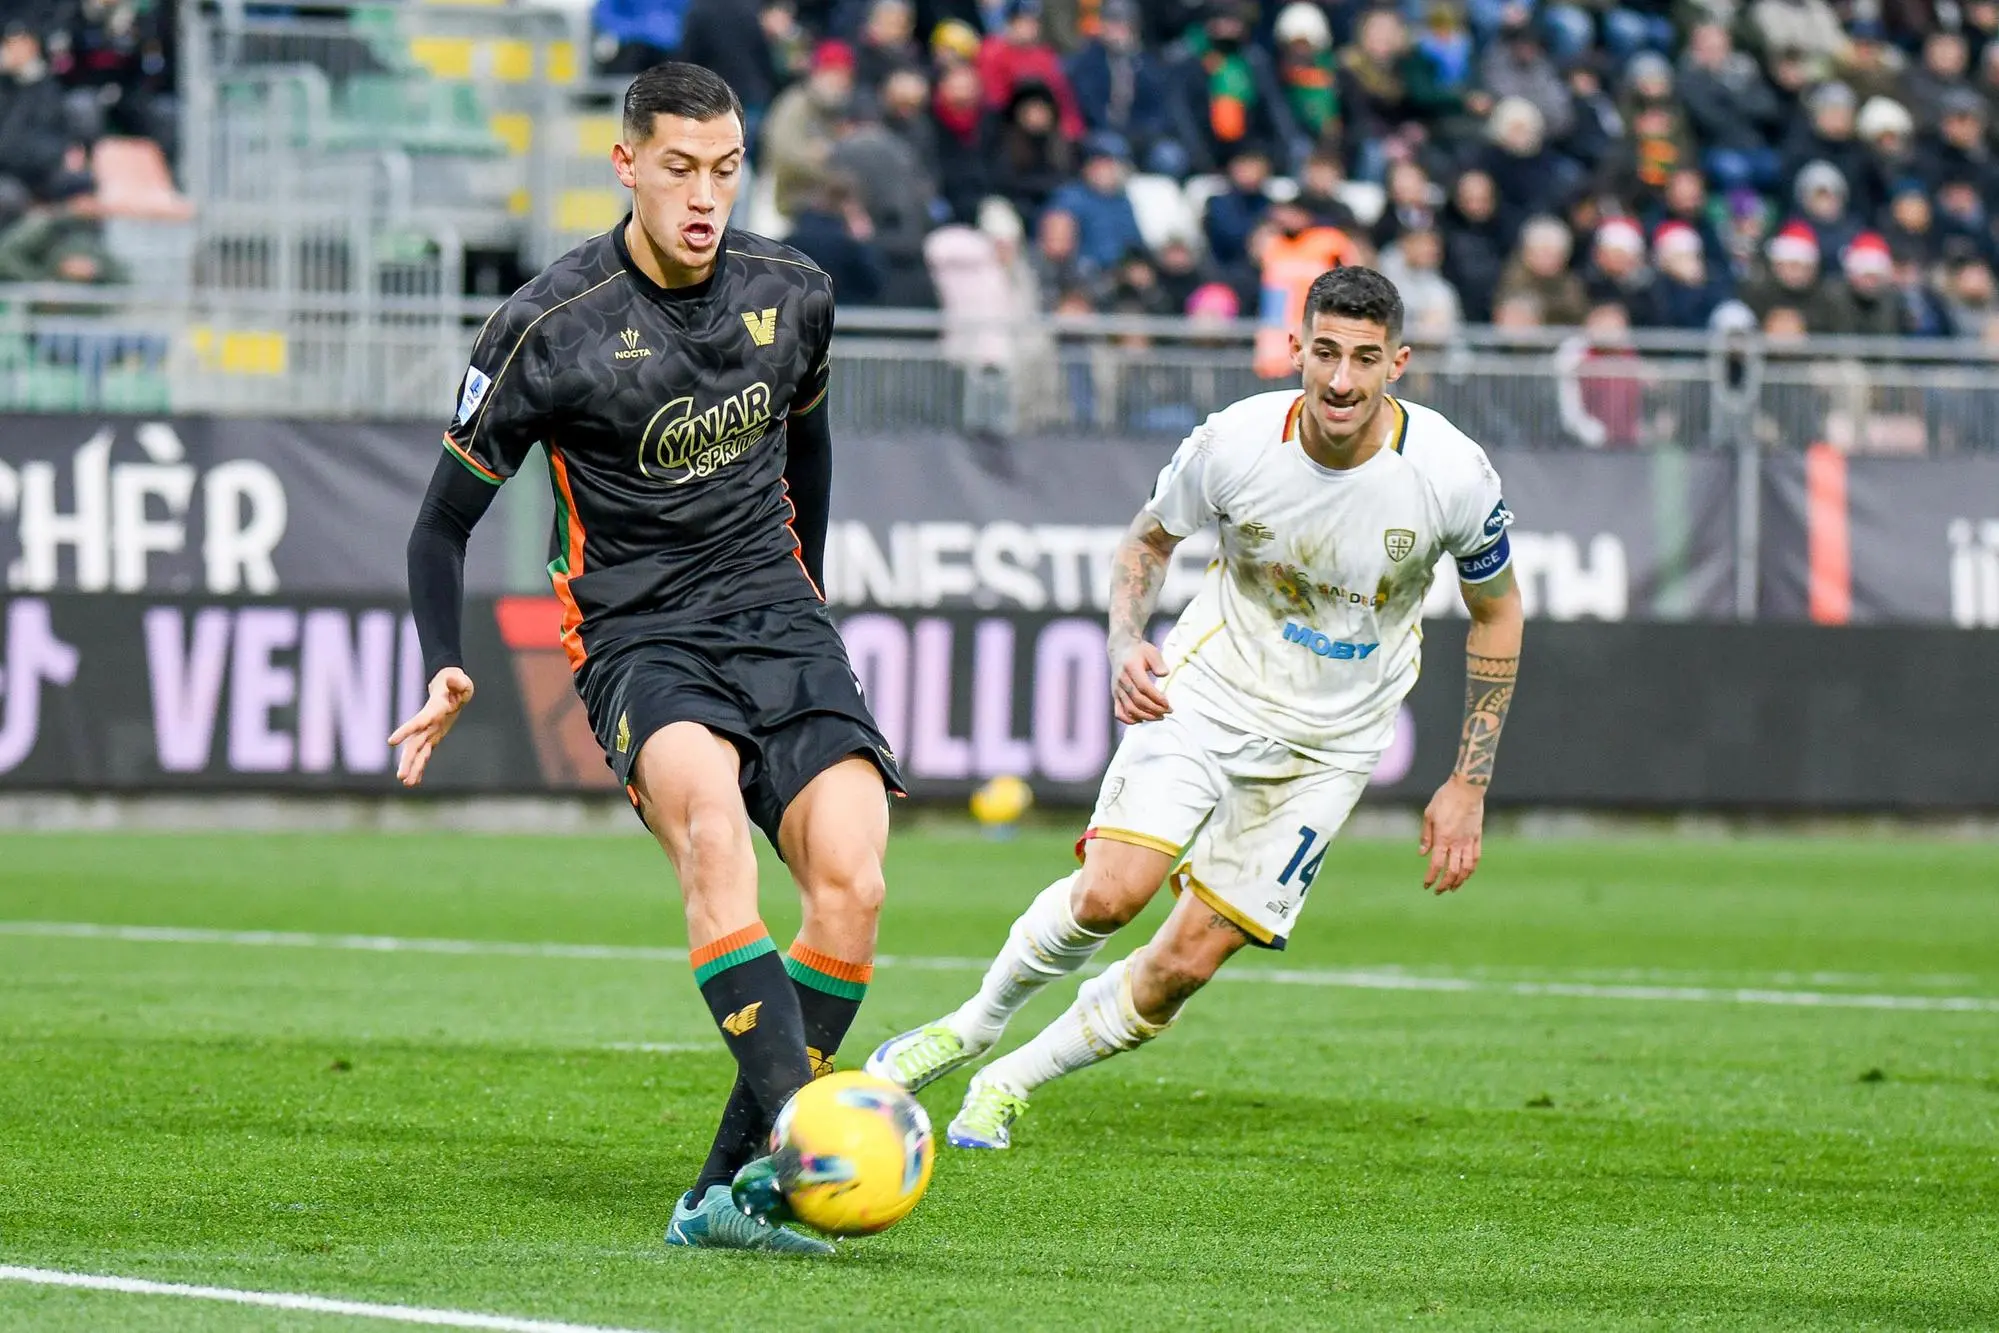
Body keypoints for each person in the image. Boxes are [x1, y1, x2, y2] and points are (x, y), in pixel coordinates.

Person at [390, 63, 903, 1257]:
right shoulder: (545, 327)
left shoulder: (795, 291)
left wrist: (809, 600)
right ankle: (813, 1138)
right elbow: (439, 523)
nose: (704, 196)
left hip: (775, 616)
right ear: (626, 165)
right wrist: (442, 660)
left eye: (725, 170)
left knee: (856, 882)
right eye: (679, 168)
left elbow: (808, 455)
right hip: (637, 634)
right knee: (714, 834)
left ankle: (727, 1195)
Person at [866, 267, 1525, 1150]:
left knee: (1182, 966)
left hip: (1330, 745)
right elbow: (1148, 540)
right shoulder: (1235, 442)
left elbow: (1498, 610)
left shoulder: (1450, 475)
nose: (1339, 379)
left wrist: (1467, 780)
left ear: (1397, 364)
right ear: (1294, 348)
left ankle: (1008, 1078)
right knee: (1110, 896)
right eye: (1324, 352)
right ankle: (972, 1025)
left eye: (1363, 360)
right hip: (1206, 694)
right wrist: (1123, 639)